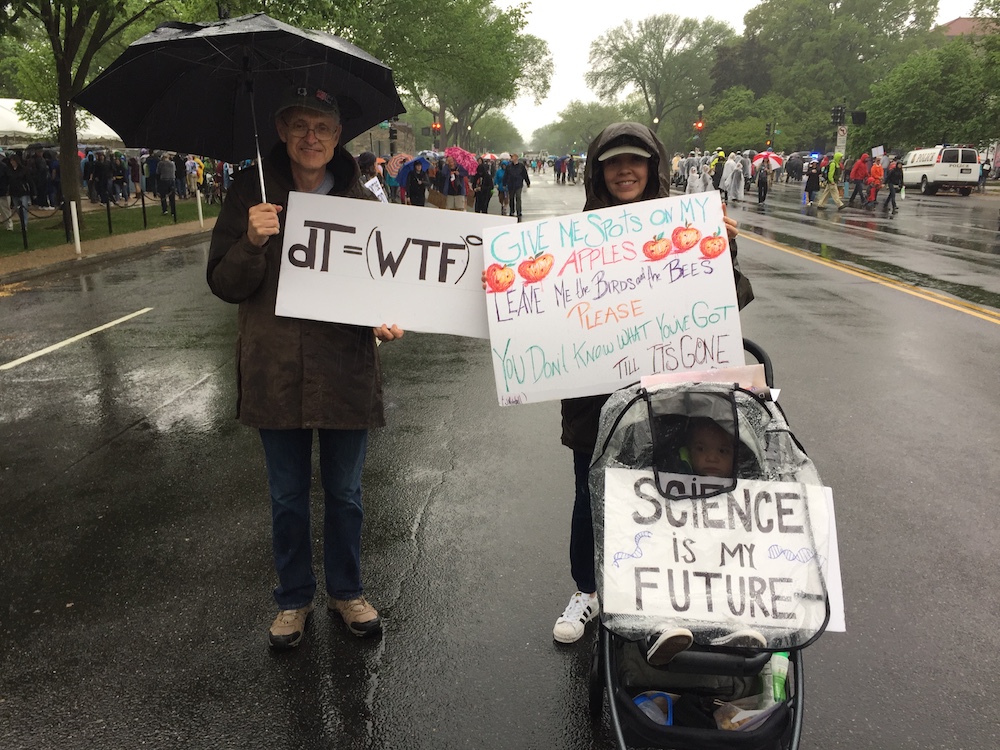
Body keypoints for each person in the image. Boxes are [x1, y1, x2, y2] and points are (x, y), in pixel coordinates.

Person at [207, 85, 404, 650]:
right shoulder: (251, 192)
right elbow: (223, 284)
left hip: (344, 369)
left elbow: (385, 284)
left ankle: (348, 592)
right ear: (281, 131)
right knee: (287, 496)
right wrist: (249, 240)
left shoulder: (363, 201)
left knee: (345, 494)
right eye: (299, 126)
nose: (310, 138)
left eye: (321, 127)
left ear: (338, 136)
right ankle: (293, 599)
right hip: (276, 370)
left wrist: (386, 318)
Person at [552, 122, 754, 645]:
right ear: (598, 172)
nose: (625, 171)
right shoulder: (571, 240)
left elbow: (729, 302)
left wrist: (721, 252)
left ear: (653, 168)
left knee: (664, 488)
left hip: (666, 388)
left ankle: (661, 591)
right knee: (589, 492)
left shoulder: (683, 228)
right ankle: (588, 590)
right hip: (593, 397)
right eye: (613, 163)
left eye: (635, 162)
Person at [644, 417, 767, 666]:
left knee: (738, 586)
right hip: (679, 564)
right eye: (701, 449)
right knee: (663, 585)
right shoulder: (669, 482)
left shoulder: (745, 490)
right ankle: (662, 631)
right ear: (687, 452)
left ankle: (737, 630)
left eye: (722, 451)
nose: (712, 458)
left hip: (723, 568)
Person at [503, 152, 530, 221]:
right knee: (511, 199)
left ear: (516, 158)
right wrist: (504, 183)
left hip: (518, 184)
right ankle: (512, 211)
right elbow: (506, 175)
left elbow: (525, 174)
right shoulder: (509, 166)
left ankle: (519, 211)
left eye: (513, 157)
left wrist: (528, 182)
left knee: (518, 198)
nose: (512, 158)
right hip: (511, 185)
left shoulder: (521, 166)